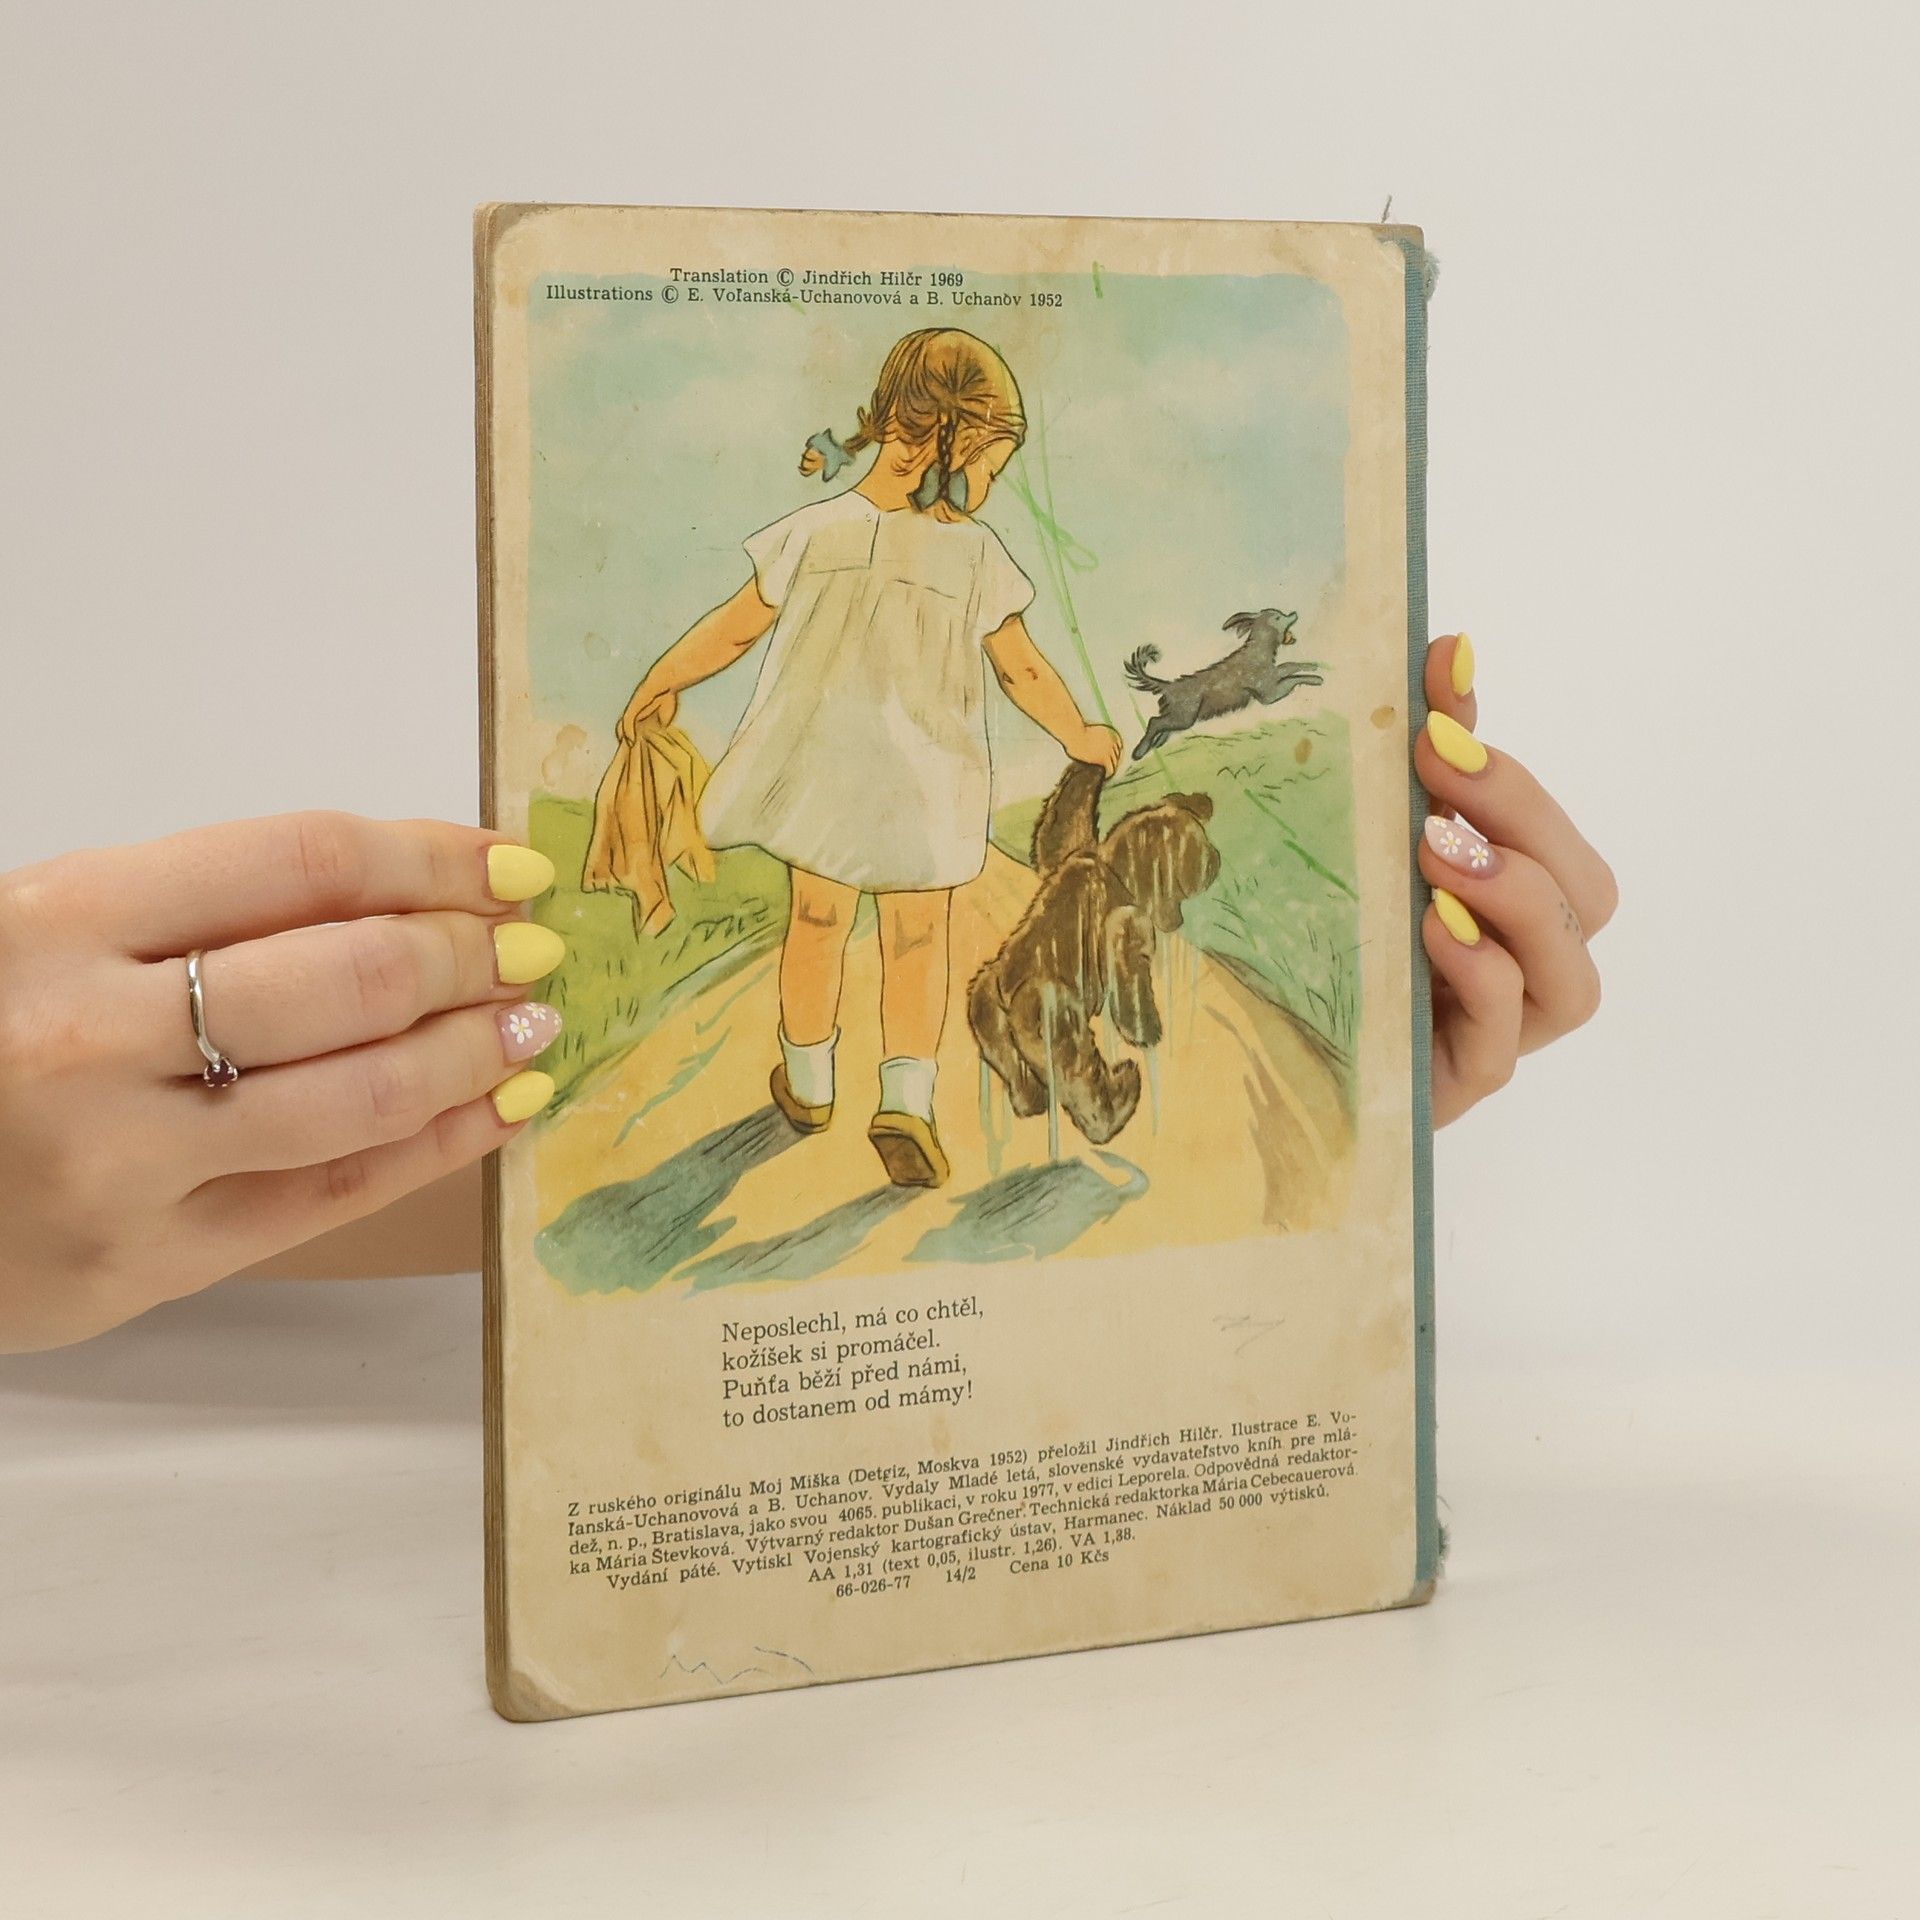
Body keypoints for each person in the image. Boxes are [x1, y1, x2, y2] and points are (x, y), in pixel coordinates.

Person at [615, 328, 1122, 1191]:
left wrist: (658, 682)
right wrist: (1080, 735)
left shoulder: (814, 532)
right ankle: (906, 1107)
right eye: (989, 467)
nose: (985, 488)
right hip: (926, 784)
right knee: (918, 938)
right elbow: (1023, 670)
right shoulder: (976, 554)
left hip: (821, 777)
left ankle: (809, 1084)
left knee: (816, 922)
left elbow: (733, 631)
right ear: (954, 441)